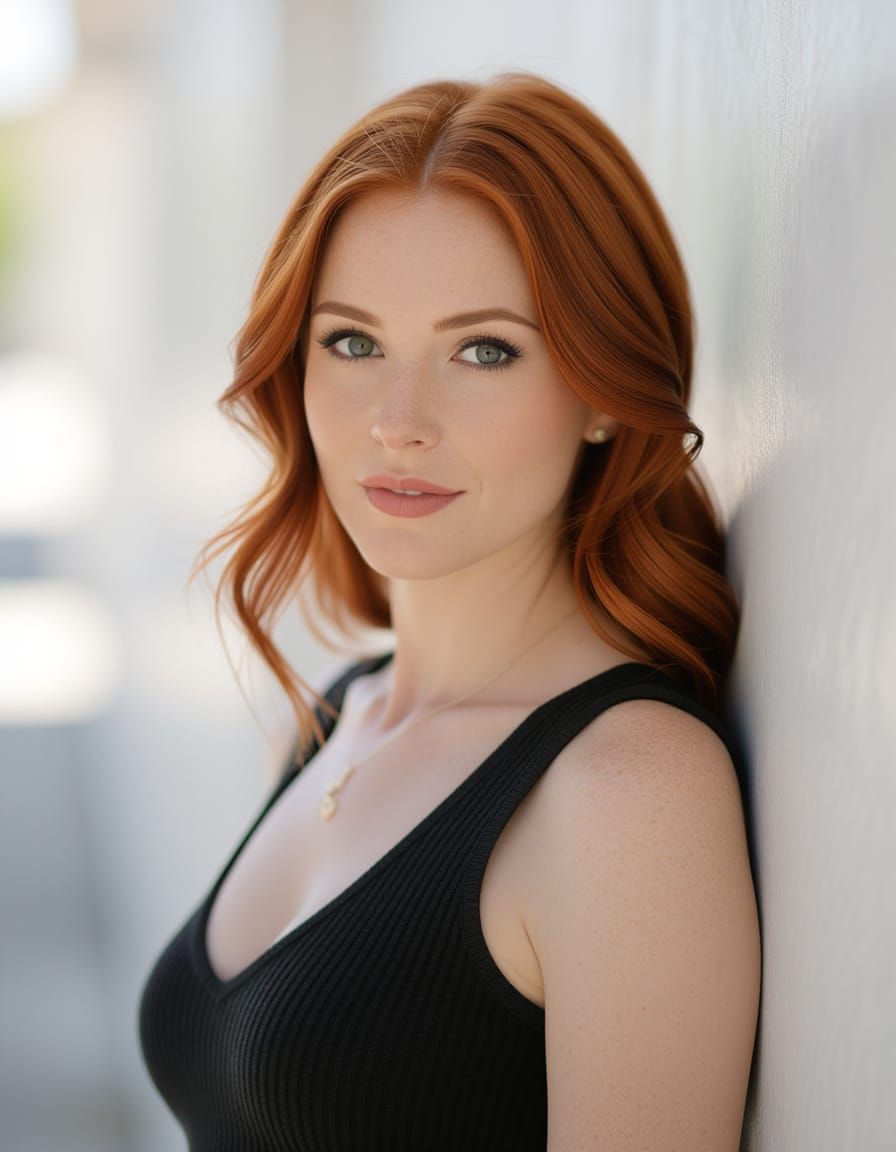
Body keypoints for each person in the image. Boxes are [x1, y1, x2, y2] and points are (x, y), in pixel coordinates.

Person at [138, 71, 761, 1151]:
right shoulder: (338, 717)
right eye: (351, 342)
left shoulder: (624, 791)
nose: (396, 421)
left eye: (483, 351)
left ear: (606, 393)